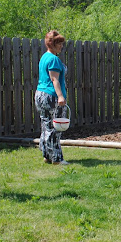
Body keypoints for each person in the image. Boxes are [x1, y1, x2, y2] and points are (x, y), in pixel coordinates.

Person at [35, 30, 69, 165]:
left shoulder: (44, 57)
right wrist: (60, 96)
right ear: (52, 44)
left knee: (46, 126)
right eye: (58, 44)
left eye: (61, 43)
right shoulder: (54, 59)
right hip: (51, 96)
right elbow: (54, 79)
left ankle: (47, 155)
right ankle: (56, 159)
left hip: (40, 94)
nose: (61, 46)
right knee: (56, 127)